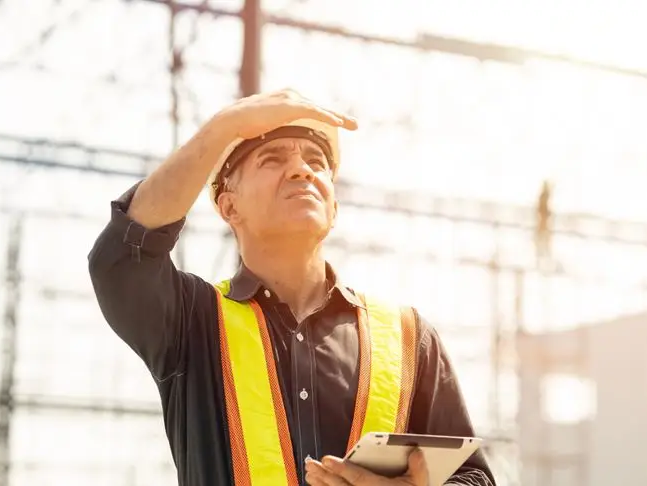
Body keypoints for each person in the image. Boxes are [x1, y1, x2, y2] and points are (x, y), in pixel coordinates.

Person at [88, 89, 495, 486]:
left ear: (333, 209)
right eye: (272, 158)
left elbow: (473, 477)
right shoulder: (190, 322)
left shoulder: (408, 338)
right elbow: (123, 256)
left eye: (316, 161)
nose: (303, 170)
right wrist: (223, 128)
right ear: (229, 206)